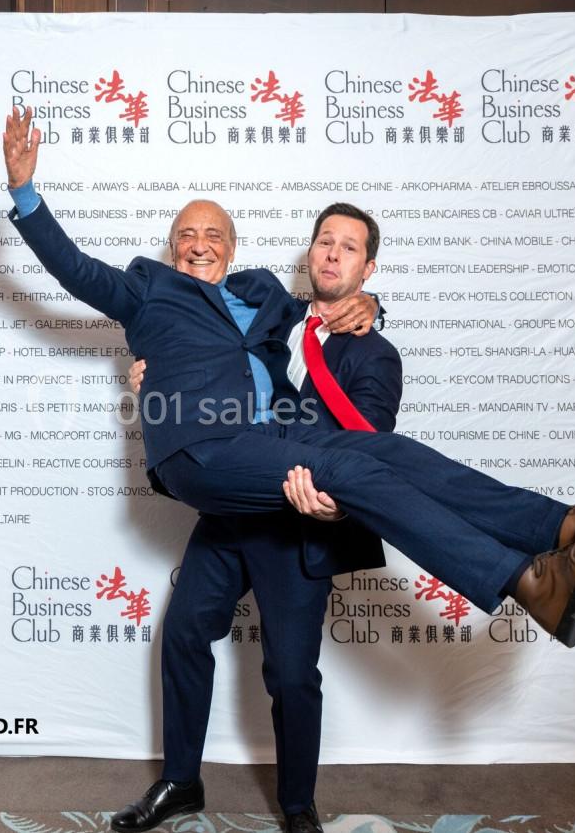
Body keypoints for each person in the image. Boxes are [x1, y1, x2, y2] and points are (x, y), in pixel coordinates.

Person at [0, 105, 575, 652]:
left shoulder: (260, 298)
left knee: (388, 453)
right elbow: (75, 270)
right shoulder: (145, 290)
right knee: (358, 476)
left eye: (214, 234)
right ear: (171, 250)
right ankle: (532, 584)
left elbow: (327, 308)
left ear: (230, 248)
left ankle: (570, 528)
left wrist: (369, 304)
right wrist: (26, 194)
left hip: (267, 442)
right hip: (202, 445)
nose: (199, 242)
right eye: (186, 235)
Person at [111, 203, 402, 833]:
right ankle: (181, 781)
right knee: (186, 631)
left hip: (299, 523)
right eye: (325, 241)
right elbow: (213, 356)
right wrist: (156, 377)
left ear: (367, 267)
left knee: (291, 673)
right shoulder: (280, 319)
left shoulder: (374, 354)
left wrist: (375, 309)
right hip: (234, 507)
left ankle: (298, 805)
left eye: (348, 248)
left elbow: (371, 442)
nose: (331, 254)